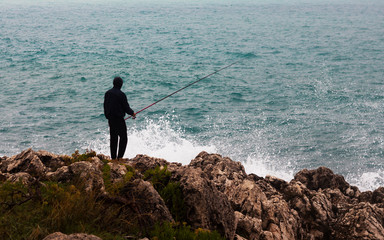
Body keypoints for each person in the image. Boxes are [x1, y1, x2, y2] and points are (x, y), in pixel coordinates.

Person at [104, 77, 136, 160]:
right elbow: (126, 107)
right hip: (119, 119)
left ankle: (113, 158)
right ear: (121, 84)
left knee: (113, 138)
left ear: (113, 83)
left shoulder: (107, 93)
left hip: (111, 119)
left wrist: (107, 116)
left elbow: (105, 106)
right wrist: (132, 113)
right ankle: (120, 157)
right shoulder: (122, 94)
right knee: (123, 138)